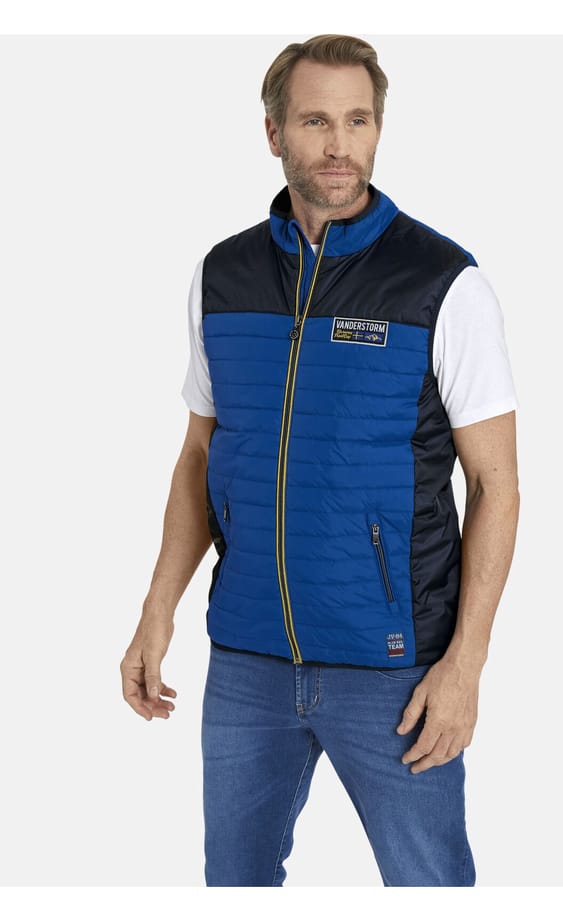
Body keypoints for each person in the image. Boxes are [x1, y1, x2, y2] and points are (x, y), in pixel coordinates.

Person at [120, 34, 520, 887]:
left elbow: (496, 484)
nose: (340, 145)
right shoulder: (223, 277)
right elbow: (200, 454)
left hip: (395, 670)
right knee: (233, 886)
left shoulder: (442, 283)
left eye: (357, 121)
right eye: (315, 122)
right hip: (247, 661)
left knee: (431, 887)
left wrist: (465, 664)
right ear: (273, 132)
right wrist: (158, 610)